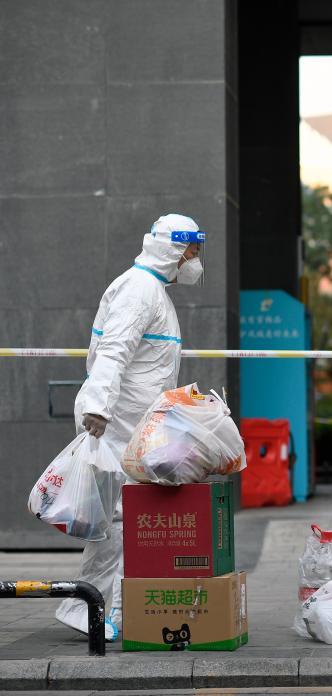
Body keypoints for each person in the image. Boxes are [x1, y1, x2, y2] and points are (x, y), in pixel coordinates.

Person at [56, 214, 205, 640]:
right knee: (119, 519)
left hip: (132, 423)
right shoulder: (139, 290)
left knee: (122, 519)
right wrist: (99, 407)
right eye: (192, 251)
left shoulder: (152, 290)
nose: (196, 260)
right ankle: (93, 609)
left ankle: (103, 608)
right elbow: (115, 351)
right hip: (116, 423)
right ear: (173, 249)